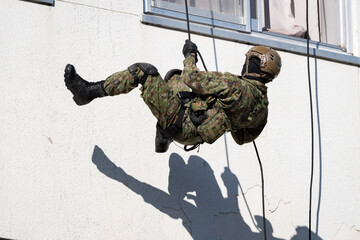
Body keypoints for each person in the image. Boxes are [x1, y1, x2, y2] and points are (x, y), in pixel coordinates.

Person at [64, 40, 281, 153]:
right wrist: (227, 115)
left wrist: (190, 55)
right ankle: (164, 134)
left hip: (181, 121)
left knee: (144, 71)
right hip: (194, 136)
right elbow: (241, 138)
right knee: (173, 79)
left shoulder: (235, 86)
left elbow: (191, 76)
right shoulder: (263, 110)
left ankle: (88, 92)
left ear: (253, 64)